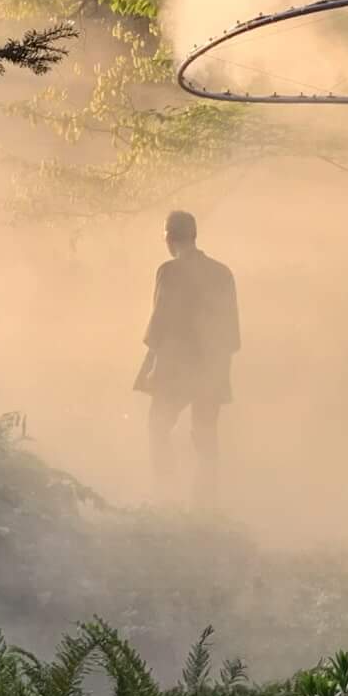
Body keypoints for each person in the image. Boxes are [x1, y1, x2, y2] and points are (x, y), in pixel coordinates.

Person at [134, 209, 239, 505]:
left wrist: (152, 363)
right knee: (205, 437)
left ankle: (165, 495)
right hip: (213, 364)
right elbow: (231, 332)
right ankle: (205, 503)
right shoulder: (222, 273)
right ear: (194, 234)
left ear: (168, 238)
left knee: (157, 426)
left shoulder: (169, 271)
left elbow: (160, 321)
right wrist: (221, 372)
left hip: (176, 366)